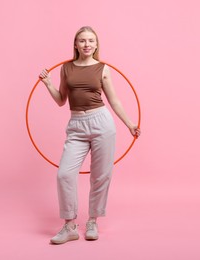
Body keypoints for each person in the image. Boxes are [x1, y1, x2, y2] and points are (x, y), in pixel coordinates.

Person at [39, 26, 141, 245]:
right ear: (75, 44)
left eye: (91, 41)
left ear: (96, 45)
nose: (87, 44)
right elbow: (61, 100)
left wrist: (130, 124)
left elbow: (114, 101)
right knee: (64, 174)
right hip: (76, 124)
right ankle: (70, 226)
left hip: (101, 122)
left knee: (100, 174)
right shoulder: (66, 68)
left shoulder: (103, 69)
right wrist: (47, 84)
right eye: (82, 40)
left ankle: (93, 221)